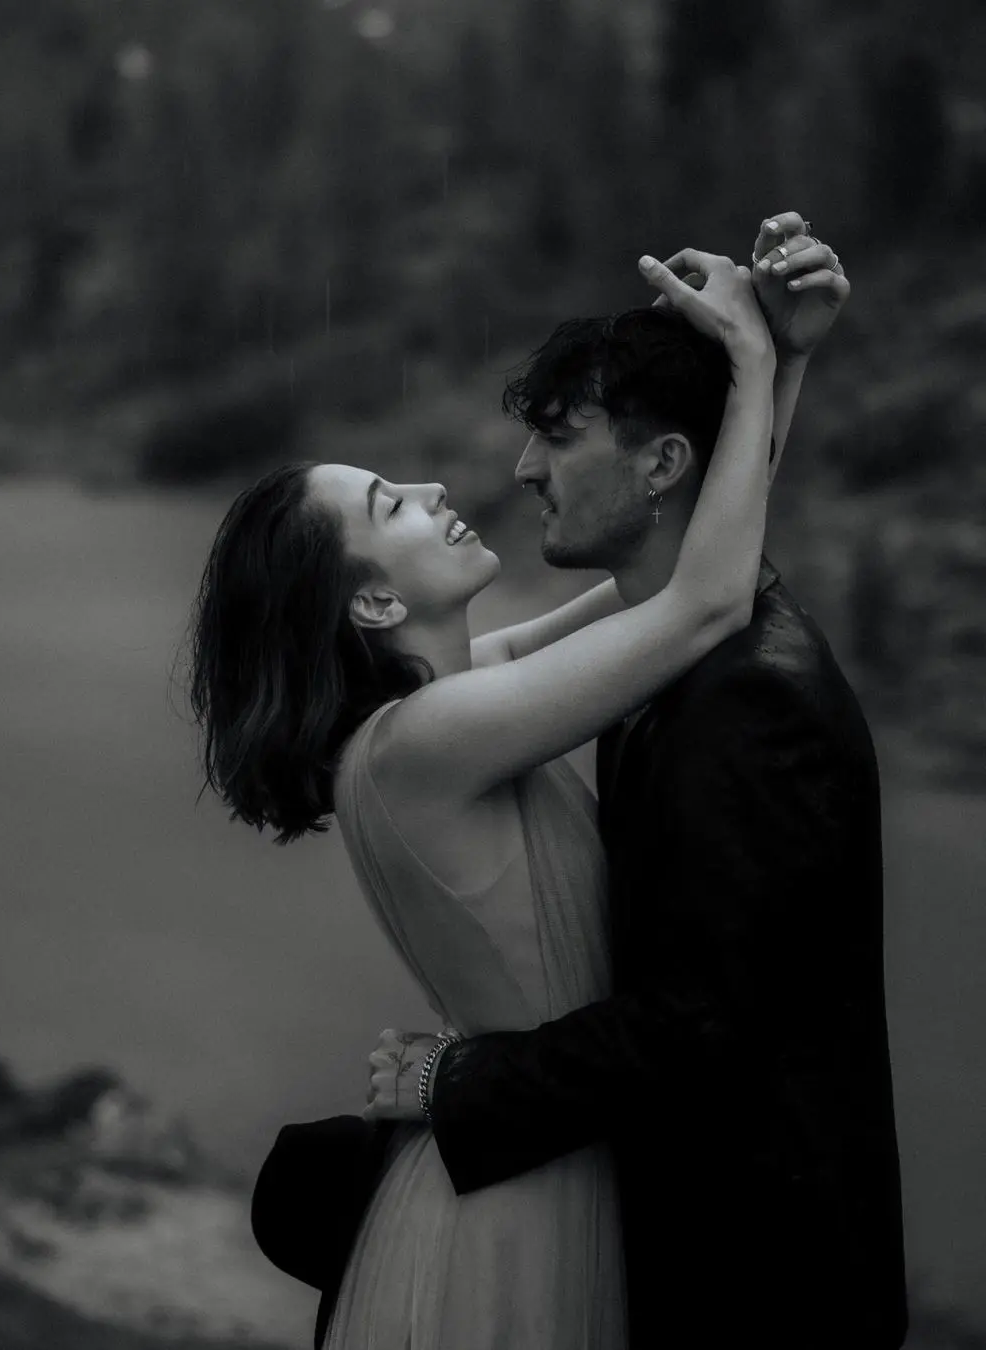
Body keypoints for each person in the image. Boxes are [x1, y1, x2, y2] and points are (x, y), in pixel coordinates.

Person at [363, 212, 908, 1349]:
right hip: (695, 1248)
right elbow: (708, 566)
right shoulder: (663, 650)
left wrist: (460, 1082)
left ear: (662, 465)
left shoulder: (747, 698)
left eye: (558, 436)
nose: (521, 469)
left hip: (758, 1282)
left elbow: (703, 1021)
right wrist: (768, 364)